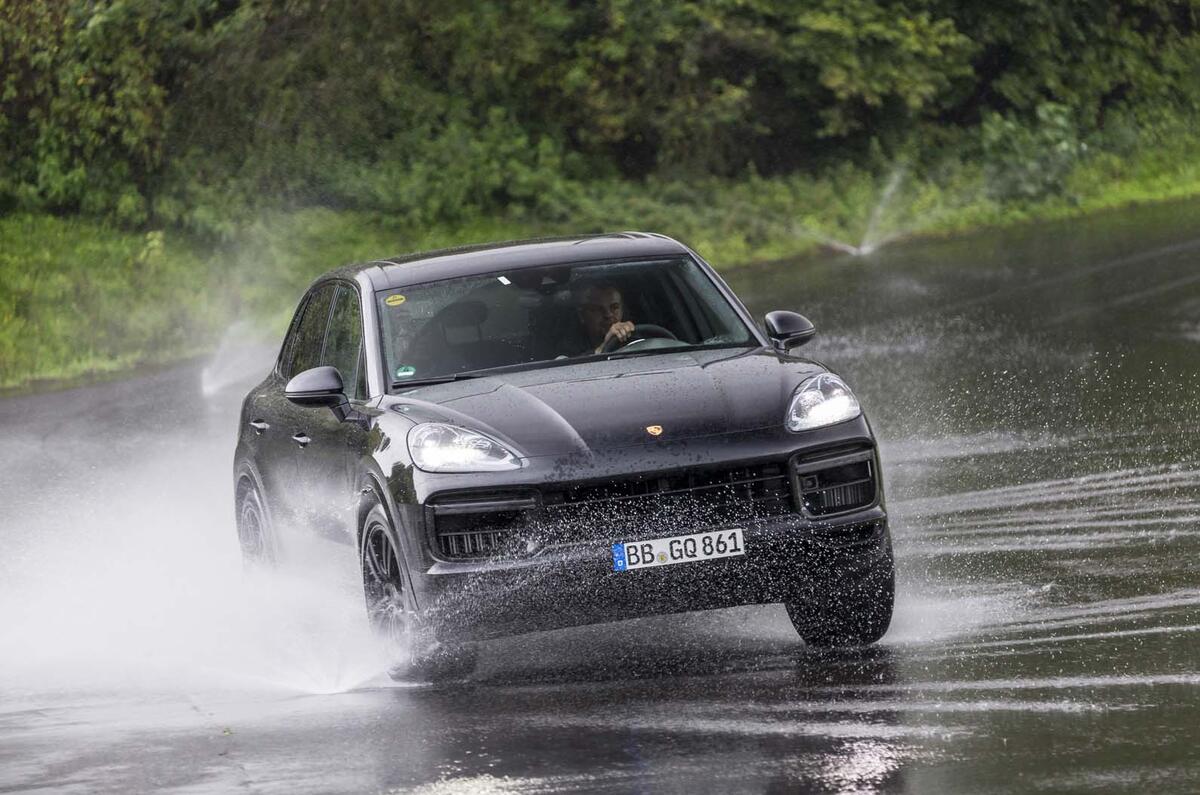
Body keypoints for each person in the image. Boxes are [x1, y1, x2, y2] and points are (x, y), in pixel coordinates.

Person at [574, 281, 635, 355]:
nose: (608, 314)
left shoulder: (637, 338)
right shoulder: (568, 346)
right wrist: (603, 348)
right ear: (582, 315)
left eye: (614, 307)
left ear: (622, 310)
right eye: (597, 309)